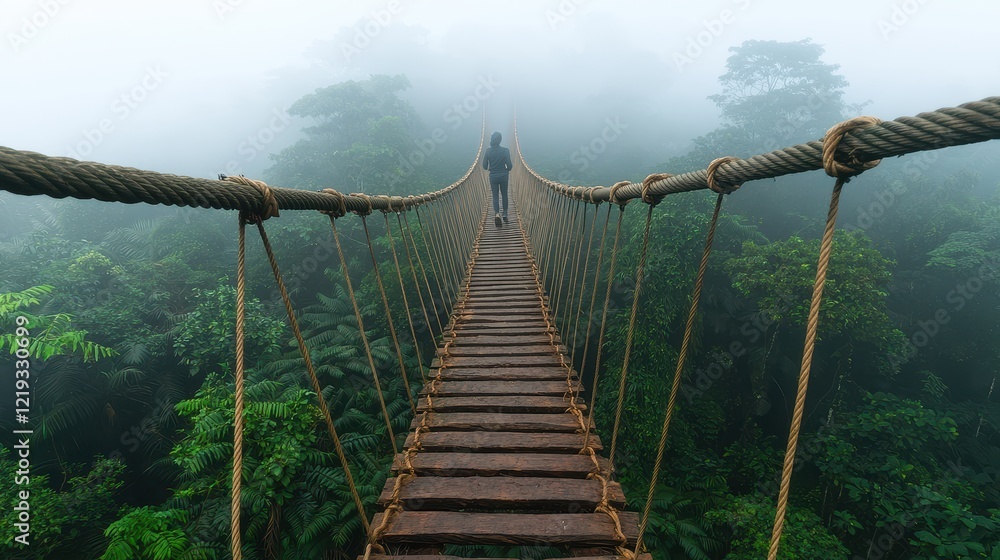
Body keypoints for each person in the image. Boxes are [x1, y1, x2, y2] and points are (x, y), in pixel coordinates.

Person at [482, 131, 512, 227]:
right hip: (503, 176)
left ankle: (497, 214)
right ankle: (505, 214)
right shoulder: (505, 150)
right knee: (504, 194)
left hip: (493, 176)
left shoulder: (488, 151)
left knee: (495, 196)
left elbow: (484, 166)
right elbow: (510, 166)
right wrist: (506, 170)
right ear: (500, 140)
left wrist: (490, 168)